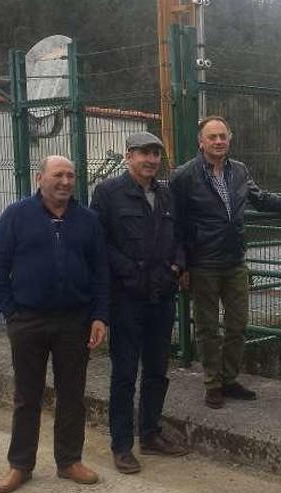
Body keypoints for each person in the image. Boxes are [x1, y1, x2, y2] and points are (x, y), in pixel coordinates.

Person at [170, 115, 281, 409]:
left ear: (230, 139)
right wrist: (182, 265)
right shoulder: (184, 176)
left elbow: (260, 198)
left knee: (238, 325)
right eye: (211, 137)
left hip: (234, 261)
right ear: (200, 141)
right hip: (203, 262)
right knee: (207, 328)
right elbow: (177, 224)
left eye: (222, 136)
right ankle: (212, 384)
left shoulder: (238, 170)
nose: (217, 141)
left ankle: (229, 379)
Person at [0, 155, 108, 493]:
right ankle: (20, 465)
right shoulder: (16, 216)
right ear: (40, 178)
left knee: (72, 395)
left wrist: (99, 316)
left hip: (74, 322)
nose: (66, 182)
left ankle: (69, 461)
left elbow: (101, 274)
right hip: (27, 321)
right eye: (58, 175)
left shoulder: (88, 220)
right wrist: (11, 312)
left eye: (71, 175)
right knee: (27, 396)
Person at [89, 132, 188, 475]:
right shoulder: (107, 194)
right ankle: (121, 445)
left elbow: (180, 237)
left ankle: (150, 433)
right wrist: (129, 272)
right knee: (125, 373)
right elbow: (99, 244)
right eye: (144, 153)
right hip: (127, 299)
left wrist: (177, 265)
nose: (151, 160)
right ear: (129, 156)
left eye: (156, 154)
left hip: (162, 296)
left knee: (158, 371)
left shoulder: (165, 194)